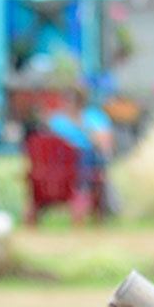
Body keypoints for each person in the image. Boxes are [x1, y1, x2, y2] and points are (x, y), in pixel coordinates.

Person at [44, 80, 115, 218]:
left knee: (88, 157)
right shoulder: (56, 121)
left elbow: (105, 144)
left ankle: (87, 203)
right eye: (68, 98)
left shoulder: (93, 117)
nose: (71, 102)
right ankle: (83, 203)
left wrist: (82, 126)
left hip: (86, 162)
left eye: (75, 98)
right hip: (60, 167)